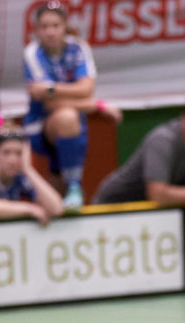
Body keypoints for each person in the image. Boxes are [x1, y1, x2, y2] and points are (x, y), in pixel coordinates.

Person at [23, 0, 121, 212]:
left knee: (58, 197)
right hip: (39, 128)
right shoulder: (32, 53)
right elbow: (51, 104)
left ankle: (70, 188)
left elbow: (86, 88)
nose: (50, 32)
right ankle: (74, 186)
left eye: (55, 26)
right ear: (36, 30)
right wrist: (96, 106)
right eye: (44, 26)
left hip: (73, 130)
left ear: (65, 26)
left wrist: (50, 89)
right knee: (66, 116)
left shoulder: (79, 48)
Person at [91, 89, 185, 229]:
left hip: (152, 216)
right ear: (183, 119)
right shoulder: (162, 139)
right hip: (113, 208)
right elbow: (157, 194)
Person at [0, 124, 64, 226]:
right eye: (6, 153)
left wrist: (28, 170)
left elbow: (57, 208)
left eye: (18, 153)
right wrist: (29, 208)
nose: (12, 160)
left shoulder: (21, 177)